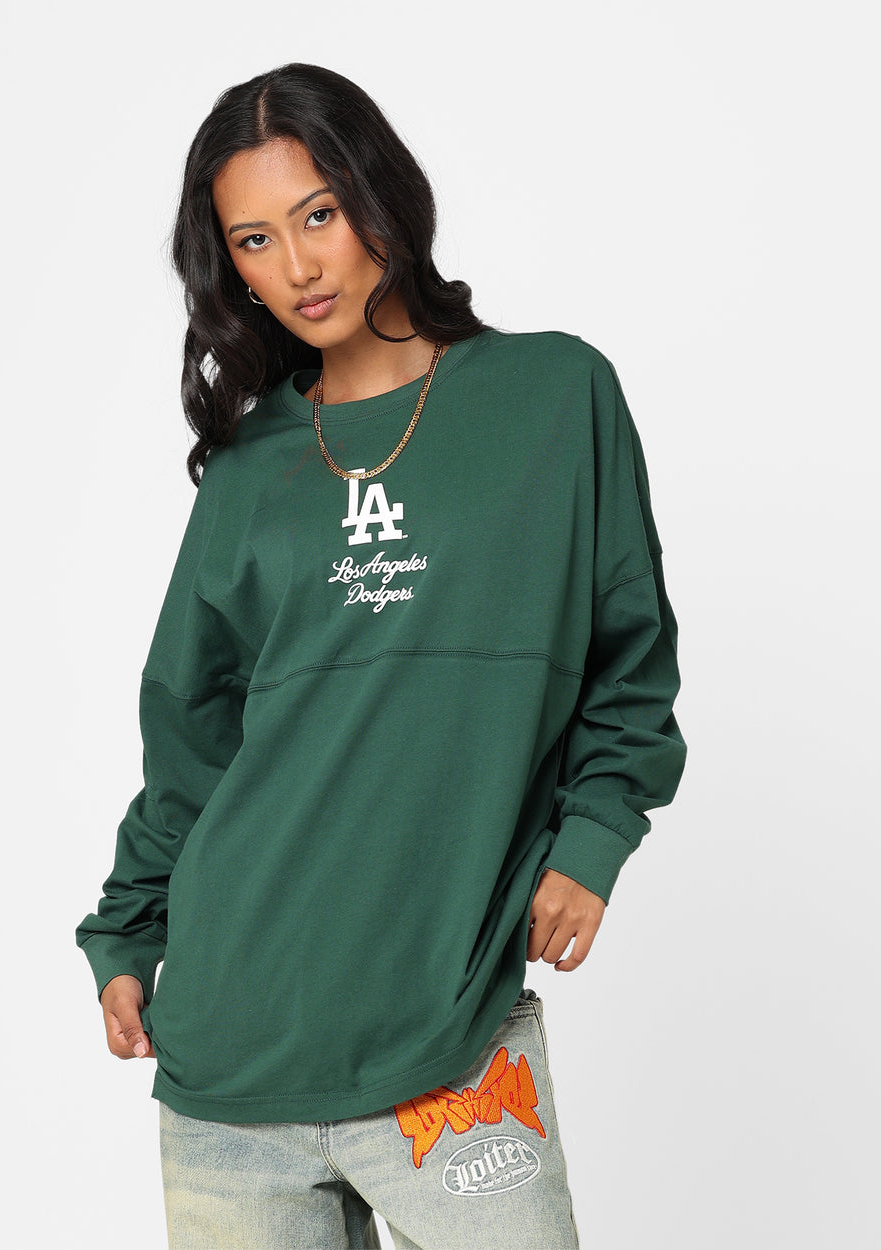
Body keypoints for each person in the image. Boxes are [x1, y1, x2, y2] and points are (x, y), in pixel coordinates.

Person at [75, 62, 687, 1250]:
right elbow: (191, 739)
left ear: (380, 197)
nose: (299, 266)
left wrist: (595, 835)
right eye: (254, 239)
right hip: (231, 1051)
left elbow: (630, 652)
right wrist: (128, 930)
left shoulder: (554, 395)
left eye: (318, 214)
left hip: (445, 1035)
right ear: (229, 268)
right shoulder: (249, 468)